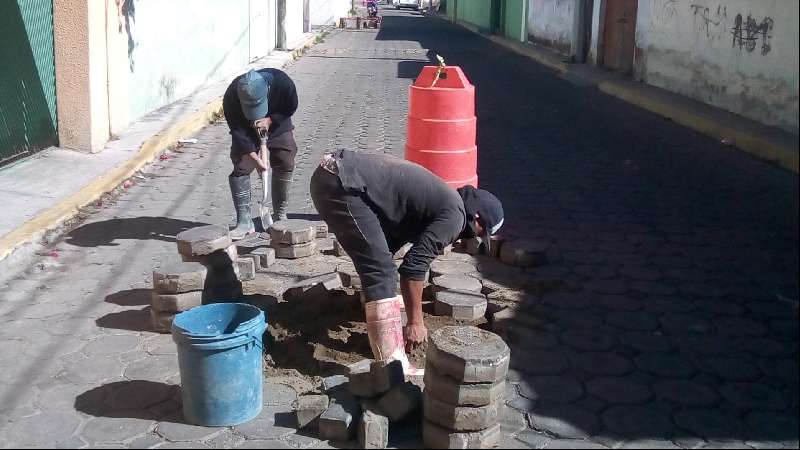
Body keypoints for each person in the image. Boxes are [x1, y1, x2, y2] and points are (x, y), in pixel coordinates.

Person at [310, 150, 504, 372]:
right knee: (381, 271)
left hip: (334, 174)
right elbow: (413, 268)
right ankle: (392, 363)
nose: (474, 238)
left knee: (380, 264)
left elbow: (388, 245)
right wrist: (415, 322)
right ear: (477, 217)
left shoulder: (441, 202)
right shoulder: (455, 216)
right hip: (341, 185)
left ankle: (372, 304)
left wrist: (382, 296)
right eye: (480, 232)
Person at [223, 68, 299, 238]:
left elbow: (291, 106)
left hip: (277, 121)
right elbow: (237, 130)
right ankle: (244, 222)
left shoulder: (282, 84)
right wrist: (253, 156)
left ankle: (280, 214)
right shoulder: (231, 97)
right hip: (245, 129)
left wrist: (271, 120)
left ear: (268, 90)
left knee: (285, 156)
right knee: (242, 165)